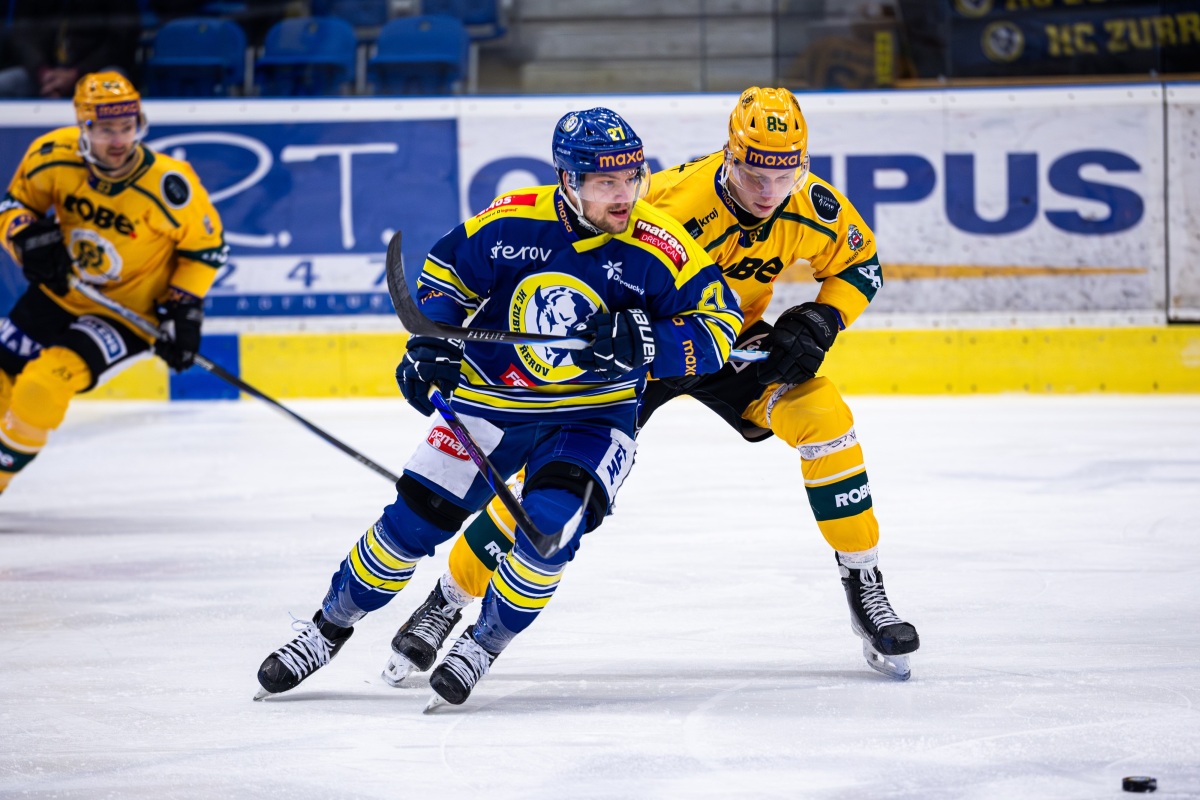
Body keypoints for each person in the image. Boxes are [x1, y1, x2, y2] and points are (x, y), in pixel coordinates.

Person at [385, 86, 921, 685]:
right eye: (754, 174)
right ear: (729, 156)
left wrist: (823, 316)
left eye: (785, 175)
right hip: (626, 356)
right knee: (553, 484)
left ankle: (864, 580)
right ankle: (448, 599)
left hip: (725, 345)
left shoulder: (812, 205)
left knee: (825, 417)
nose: (770, 192)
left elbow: (860, 263)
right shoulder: (662, 202)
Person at [254, 108, 743, 707]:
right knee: (411, 524)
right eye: (606, 182)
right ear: (568, 180)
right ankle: (326, 629)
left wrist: (648, 340)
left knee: (549, 532)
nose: (625, 196)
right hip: (490, 404)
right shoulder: (511, 221)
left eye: (632, 178)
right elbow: (444, 278)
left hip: (594, 418)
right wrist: (432, 346)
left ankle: (482, 644)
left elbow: (719, 328)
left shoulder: (662, 246)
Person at [0, 71, 227, 494]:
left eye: (127, 127)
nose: (119, 140)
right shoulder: (52, 155)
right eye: (106, 130)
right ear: (83, 126)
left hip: (124, 314)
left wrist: (184, 312)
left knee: (40, 389)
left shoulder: (169, 185)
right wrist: (23, 238)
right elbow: (15, 205)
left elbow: (206, 250)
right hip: (59, 292)